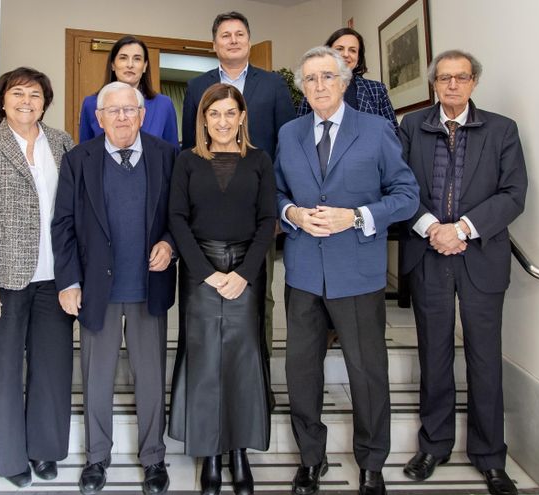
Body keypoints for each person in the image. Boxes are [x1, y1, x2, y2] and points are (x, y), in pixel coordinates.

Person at [275, 47, 419, 495]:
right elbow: (275, 193)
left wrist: (356, 216)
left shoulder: (376, 130)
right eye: (310, 79)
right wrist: (293, 214)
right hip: (303, 273)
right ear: (302, 87)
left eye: (327, 77)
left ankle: (372, 463)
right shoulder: (289, 133)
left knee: (367, 372)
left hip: (357, 272)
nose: (319, 85)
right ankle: (310, 459)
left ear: (344, 81)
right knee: (301, 371)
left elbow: (407, 195)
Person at [398, 49, 527, 495]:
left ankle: (490, 456)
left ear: (474, 82)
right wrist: (432, 228)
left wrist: (463, 229)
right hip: (428, 253)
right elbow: (399, 186)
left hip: (481, 257)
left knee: (484, 359)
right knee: (434, 355)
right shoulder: (411, 126)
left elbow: (513, 193)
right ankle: (434, 446)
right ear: (433, 83)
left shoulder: (502, 129)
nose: (452, 85)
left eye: (461, 77)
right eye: (444, 78)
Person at [0, 67, 76, 488]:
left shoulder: (62, 143)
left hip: (55, 279)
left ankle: (45, 450)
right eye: (18, 93)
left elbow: (75, 213)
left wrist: (75, 276)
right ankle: (10, 460)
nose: (27, 101)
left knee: (52, 368)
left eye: (36, 95)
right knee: (4, 371)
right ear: (2, 101)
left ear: (46, 102)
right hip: (2, 281)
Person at [53, 81, 177, 495]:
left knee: (150, 377)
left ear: (142, 116)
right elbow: (63, 224)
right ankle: (96, 458)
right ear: (98, 118)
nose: (122, 117)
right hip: (96, 289)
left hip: (148, 286)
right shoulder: (78, 159)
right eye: (114, 110)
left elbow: (180, 214)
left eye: (130, 110)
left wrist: (170, 244)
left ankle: (154, 457)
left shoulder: (166, 155)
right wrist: (69, 281)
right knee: (97, 378)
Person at [168, 83, 275, 495]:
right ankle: (210, 452)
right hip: (201, 271)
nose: (223, 121)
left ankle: (239, 451)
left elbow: (267, 221)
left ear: (242, 116)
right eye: (214, 114)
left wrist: (244, 274)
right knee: (205, 361)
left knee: (242, 361)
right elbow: (177, 219)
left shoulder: (260, 161)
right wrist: (206, 273)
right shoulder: (187, 161)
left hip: (247, 270)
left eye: (231, 113)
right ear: (203, 119)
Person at [182, 10, 295, 397]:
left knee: (259, 297)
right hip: (208, 218)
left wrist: (275, 206)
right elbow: (190, 147)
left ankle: (258, 383)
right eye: (225, 35)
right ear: (214, 44)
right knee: (207, 301)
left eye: (239, 34)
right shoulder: (197, 87)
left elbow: (286, 146)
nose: (232, 40)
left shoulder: (274, 85)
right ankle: (210, 387)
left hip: (257, 211)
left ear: (249, 40)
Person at [79, 35, 178, 149]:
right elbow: (84, 153)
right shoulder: (91, 104)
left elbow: (173, 153)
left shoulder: (163, 105)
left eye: (137, 59)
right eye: (123, 58)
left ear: (145, 66)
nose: (130, 65)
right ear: (113, 65)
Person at [296, 27, 398, 136]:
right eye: (339, 49)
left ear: (358, 58)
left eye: (352, 50)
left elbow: (393, 133)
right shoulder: (313, 88)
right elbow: (300, 132)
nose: (346, 54)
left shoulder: (376, 90)